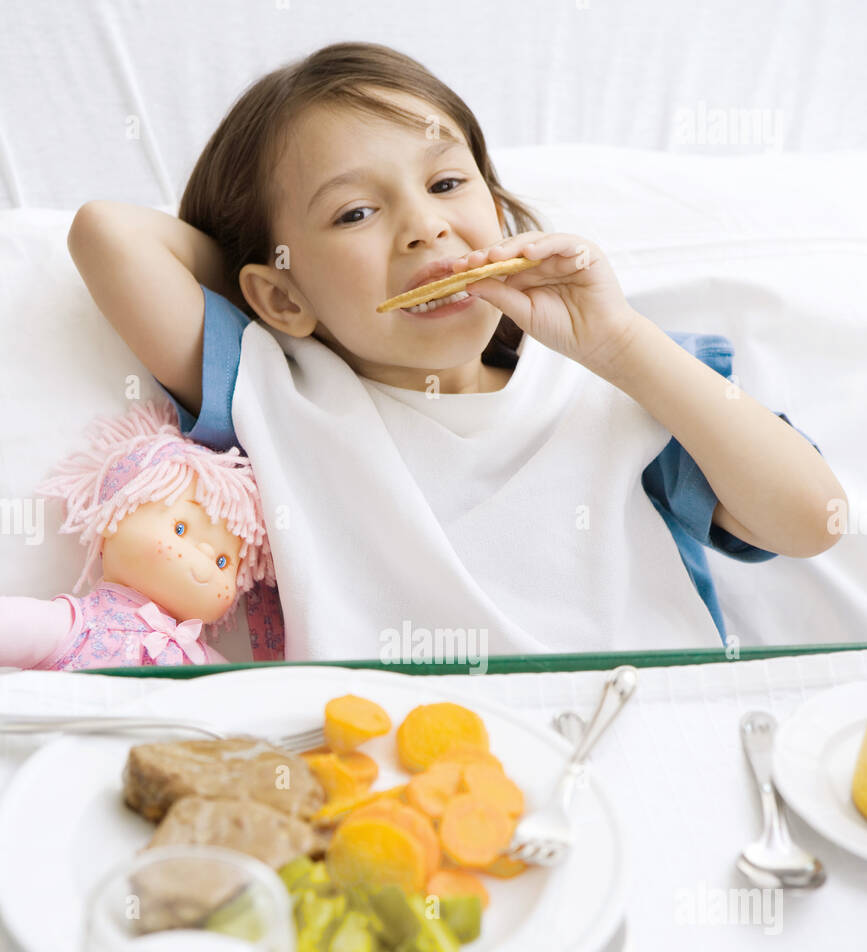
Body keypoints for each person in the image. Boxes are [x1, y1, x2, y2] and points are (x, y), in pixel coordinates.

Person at [66, 42, 845, 662]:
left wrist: (620, 343)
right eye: (356, 212)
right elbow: (108, 234)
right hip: (393, 781)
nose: (424, 227)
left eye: (445, 184)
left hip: (648, 745)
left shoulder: (623, 383)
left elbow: (814, 520)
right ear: (277, 299)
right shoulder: (277, 390)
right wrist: (287, 290)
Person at [0, 397, 275, 670]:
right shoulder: (79, 627)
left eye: (222, 562)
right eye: (180, 529)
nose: (203, 559)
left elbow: (243, 698)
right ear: (114, 518)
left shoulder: (200, 661)